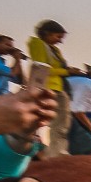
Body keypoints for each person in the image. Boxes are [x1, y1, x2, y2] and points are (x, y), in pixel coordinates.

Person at [24, 21, 72, 154]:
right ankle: (47, 153)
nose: (60, 41)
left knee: (61, 123)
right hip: (45, 87)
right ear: (47, 33)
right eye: (58, 37)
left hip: (58, 87)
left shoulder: (54, 49)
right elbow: (42, 68)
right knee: (41, 121)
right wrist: (67, 72)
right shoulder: (38, 44)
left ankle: (56, 152)